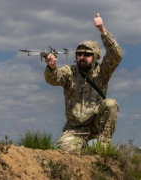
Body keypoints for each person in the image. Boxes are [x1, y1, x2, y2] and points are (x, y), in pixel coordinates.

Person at [44, 13, 122, 154]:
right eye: (79, 54)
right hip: (75, 128)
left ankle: (102, 151)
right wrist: (51, 68)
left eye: (87, 54)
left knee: (111, 104)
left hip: (96, 123)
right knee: (65, 153)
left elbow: (116, 56)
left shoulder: (102, 71)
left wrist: (103, 31)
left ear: (95, 56)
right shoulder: (70, 72)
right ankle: (81, 146)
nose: (82, 57)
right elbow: (54, 79)